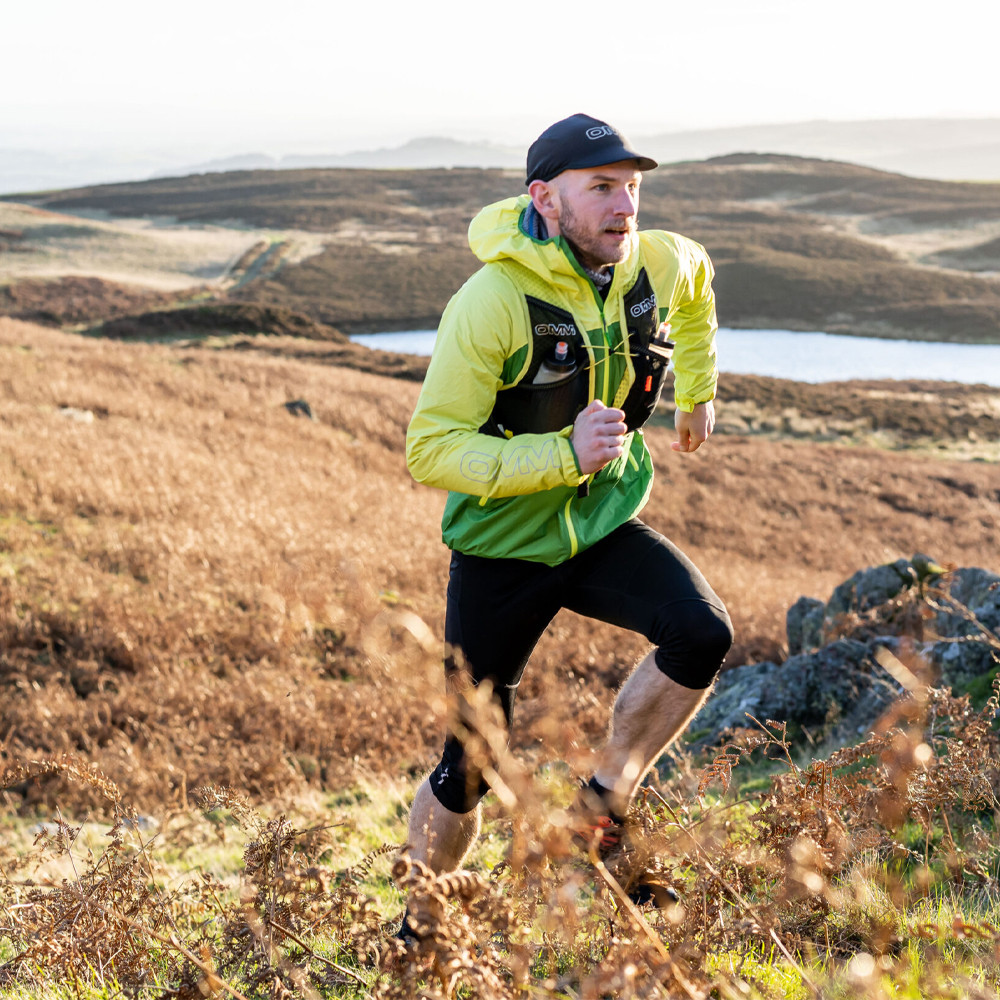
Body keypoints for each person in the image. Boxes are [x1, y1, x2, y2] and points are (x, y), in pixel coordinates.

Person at [400, 113, 733, 934]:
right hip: (503, 546)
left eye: (632, 186)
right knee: (469, 764)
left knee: (702, 632)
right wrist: (561, 455)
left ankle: (601, 809)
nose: (626, 206)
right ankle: (420, 931)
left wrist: (698, 389)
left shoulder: (658, 259)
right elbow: (429, 450)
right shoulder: (492, 302)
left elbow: (697, 293)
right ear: (545, 198)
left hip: (603, 523)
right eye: (603, 188)